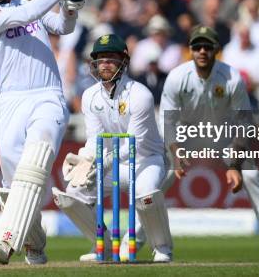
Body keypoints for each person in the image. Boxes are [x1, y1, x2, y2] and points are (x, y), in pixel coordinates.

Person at [0, 0, 94, 265]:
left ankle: (7, 239)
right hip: (11, 102)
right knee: (13, 187)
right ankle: (35, 245)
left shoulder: (26, 2)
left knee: (35, 162)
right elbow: (23, 16)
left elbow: (63, 26)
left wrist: (72, 3)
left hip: (48, 96)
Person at [159, 25, 259, 263]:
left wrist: (234, 164)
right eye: (197, 47)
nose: (202, 51)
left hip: (223, 134)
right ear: (190, 50)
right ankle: (136, 241)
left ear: (216, 51)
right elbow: (168, 120)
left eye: (207, 47)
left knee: (251, 176)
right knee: (158, 181)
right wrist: (176, 150)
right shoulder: (177, 77)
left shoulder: (231, 77)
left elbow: (243, 121)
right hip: (186, 133)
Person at [52, 34, 173, 262]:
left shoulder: (140, 94)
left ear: (123, 62)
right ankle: (103, 246)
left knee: (146, 195)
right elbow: (95, 139)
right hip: (113, 162)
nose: (105, 64)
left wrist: (105, 161)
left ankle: (163, 248)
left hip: (146, 161)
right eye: (101, 59)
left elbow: (134, 143)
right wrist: (86, 159)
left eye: (111, 59)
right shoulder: (89, 96)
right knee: (73, 194)